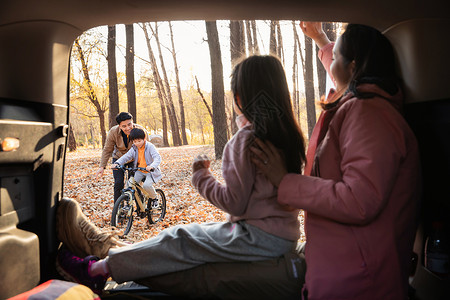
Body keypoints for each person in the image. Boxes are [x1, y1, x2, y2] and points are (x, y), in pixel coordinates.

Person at [55, 55, 307, 294]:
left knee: (181, 238)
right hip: (281, 237)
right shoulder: (288, 138)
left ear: (239, 97)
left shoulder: (246, 141)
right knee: (192, 234)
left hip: (256, 238)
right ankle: (113, 252)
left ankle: (97, 270)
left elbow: (235, 203)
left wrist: (201, 177)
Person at [251, 22, 421, 299]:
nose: (332, 65)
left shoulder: (369, 114)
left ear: (353, 67)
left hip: (359, 281)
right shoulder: (362, 103)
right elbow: (340, 69)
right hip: (345, 266)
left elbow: (359, 199)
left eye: (337, 57)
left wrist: (285, 181)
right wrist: (321, 40)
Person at [95, 112, 149, 203]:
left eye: (129, 124)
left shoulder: (141, 131)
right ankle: (119, 210)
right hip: (119, 159)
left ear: (132, 122)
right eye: (124, 126)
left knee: (134, 183)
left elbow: (147, 150)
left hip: (135, 159)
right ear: (119, 126)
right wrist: (102, 167)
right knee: (118, 183)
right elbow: (107, 149)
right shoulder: (113, 132)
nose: (128, 128)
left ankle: (141, 207)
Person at [111, 128, 162, 200]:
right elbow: (127, 156)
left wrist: (152, 166)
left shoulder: (150, 147)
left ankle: (154, 199)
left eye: (139, 141)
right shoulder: (134, 148)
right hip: (139, 171)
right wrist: (117, 163)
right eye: (135, 141)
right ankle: (129, 204)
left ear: (144, 138)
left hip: (150, 172)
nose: (137, 143)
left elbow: (157, 158)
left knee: (146, 186)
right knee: (130, 185)